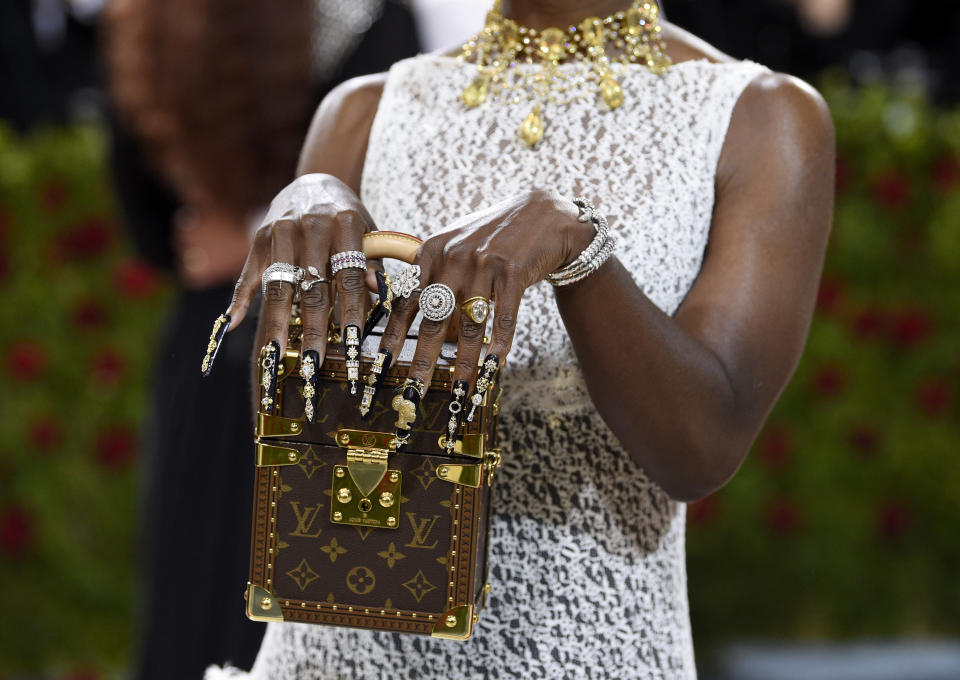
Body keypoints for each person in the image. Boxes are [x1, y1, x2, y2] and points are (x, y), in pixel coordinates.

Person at [205, 0, 835, 676]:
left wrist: (582, 258)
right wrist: (304, 221)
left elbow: (700, 451)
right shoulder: (362, 110)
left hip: (582, 653)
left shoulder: (760, 116)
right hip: (330, 651)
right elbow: (291, 443)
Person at [103, 1, 418, 677]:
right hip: (321, 336)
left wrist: (235, 233)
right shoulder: (361, 17)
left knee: (202, 594)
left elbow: (148, 220)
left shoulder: (148, 17)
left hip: (216, 333)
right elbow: (391, 198)